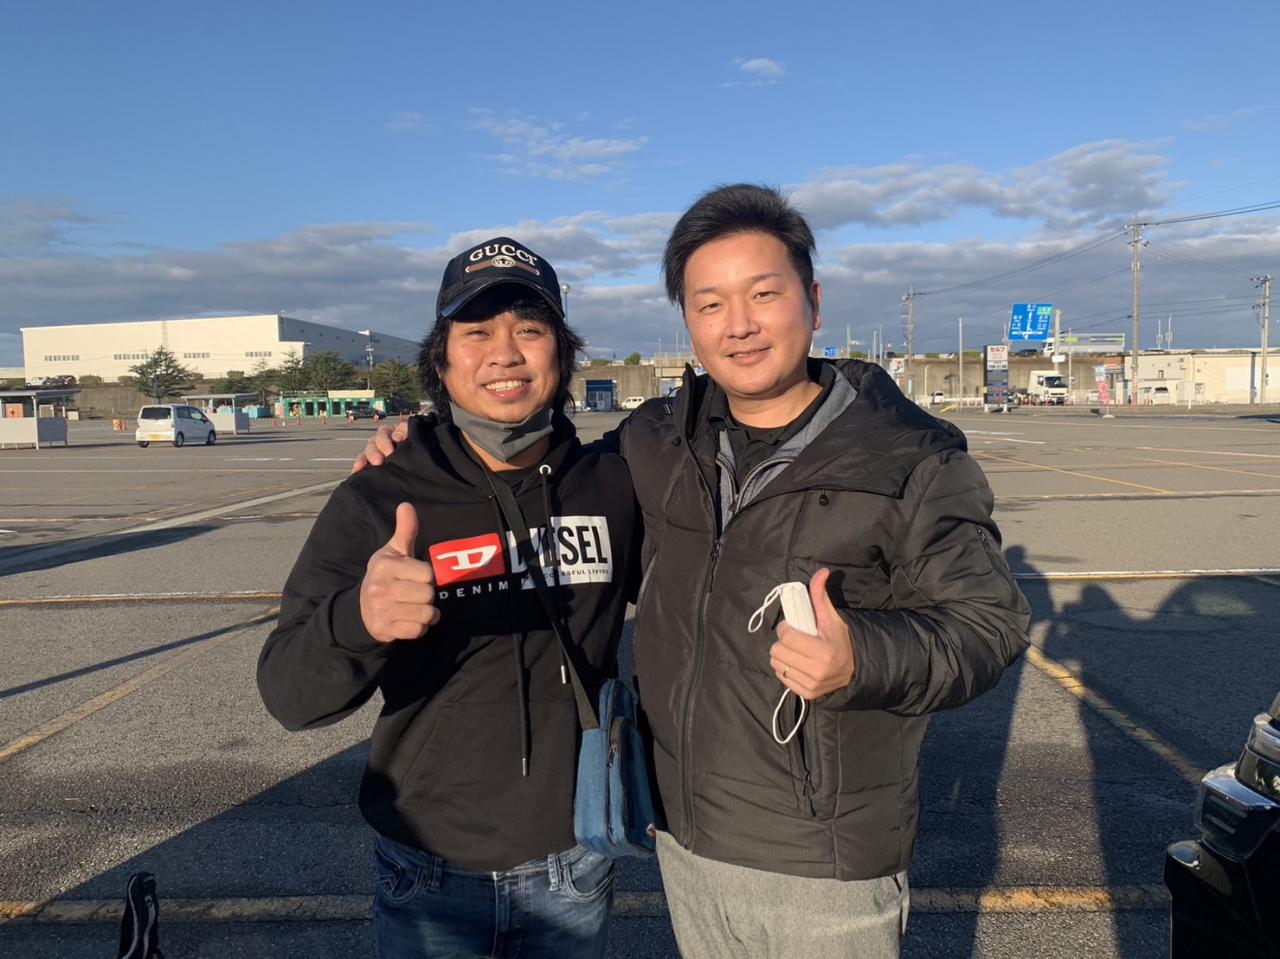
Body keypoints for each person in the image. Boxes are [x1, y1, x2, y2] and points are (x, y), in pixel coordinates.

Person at [356, 185, 1031, 958]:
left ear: (813, 302)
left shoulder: (909, 457)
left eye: (763, 294)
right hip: (684, 840)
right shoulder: (659, 440)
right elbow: (549, 469)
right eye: (710, 303)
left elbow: (990, 624)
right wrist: (429, 439)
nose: (738, 324)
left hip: (824, 864)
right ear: (689, 320)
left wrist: (864, 656)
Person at [259, 236, 639, 959]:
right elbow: (287, 695)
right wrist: (359, 620)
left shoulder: (614, 484)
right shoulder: (381, 495)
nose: (505, 354)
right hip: (427, 870)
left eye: (530, 330)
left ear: (564, 356)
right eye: (477, 333)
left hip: (577, 859)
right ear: (440, 362)